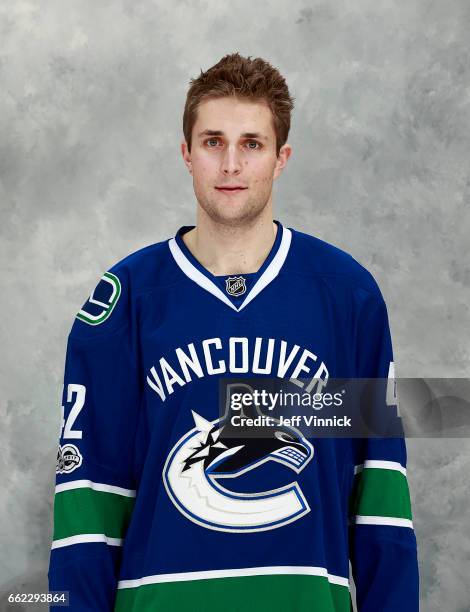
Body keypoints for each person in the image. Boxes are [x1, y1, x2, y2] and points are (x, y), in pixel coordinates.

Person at [48, 52, 419, 611]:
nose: (230, 165)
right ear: (187, 154)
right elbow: (87, 507)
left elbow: (381, 498)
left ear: (281, 157)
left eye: (252, 144)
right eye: (213, 142)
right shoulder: (126, 300)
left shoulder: (348, 295)